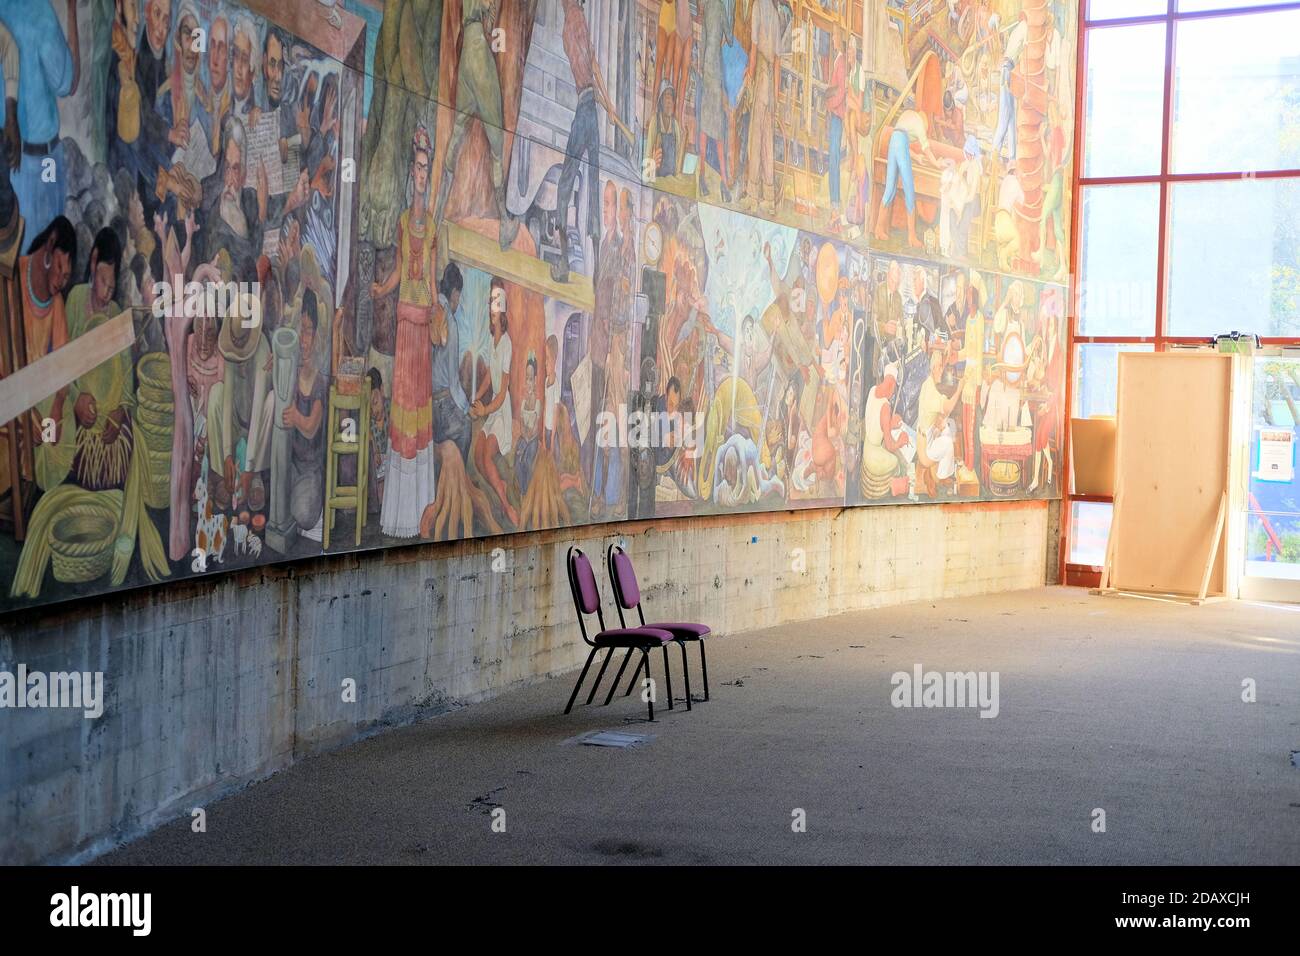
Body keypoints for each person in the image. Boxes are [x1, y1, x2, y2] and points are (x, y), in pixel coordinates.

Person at [373, 126, 439, 538]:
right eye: (417, 167)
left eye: (425, 169)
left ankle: (418, 511)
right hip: (403, 322)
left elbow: (429, 276)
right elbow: (402, 268)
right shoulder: (402, 221)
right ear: (410, 172)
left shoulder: (430, 226)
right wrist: (382, 287)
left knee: (418, 405)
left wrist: (436, 312)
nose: (420, 174)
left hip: (420, 326)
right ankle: (399, 514)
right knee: (403, 405)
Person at [550, 0, 630, 283]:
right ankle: (594, 269)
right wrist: (607, 103)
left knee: (565, 185)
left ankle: (562, 260)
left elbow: (589, 66)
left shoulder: (573, 19)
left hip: (586, 107)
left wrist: (606, 101)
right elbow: (591, 65)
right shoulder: (575, 20)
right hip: (591, 109)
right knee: (593, 183)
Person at [432, 0, 518, 252]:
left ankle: (436, 218)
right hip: (479, 52)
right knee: (497, 142)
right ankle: (504, 223)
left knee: (457, 133)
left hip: (466, 54)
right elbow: (490, 25)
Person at [0, 0, 80, 241]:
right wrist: (72, 10)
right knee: (42, 254)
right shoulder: (41, 12)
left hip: (7, 163)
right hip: (42, 163)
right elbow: (67, 83)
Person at [66, 229, 134, 492]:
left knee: (123, 449)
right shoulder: (74, 301)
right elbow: (59, 364)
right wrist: (76, 399)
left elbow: (126, 377)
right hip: (79, 407)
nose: (107, 293)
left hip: (106, 412)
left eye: (112, 287)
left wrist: (119, 412)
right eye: (104, 282)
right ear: (93, 263)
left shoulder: (117, 315)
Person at [19, 216, 77, 490]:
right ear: (50, 246)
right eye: (60, 270)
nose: (62, 282)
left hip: (33, 400)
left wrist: (55, 409)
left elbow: (64, 366)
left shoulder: (56, 303)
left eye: (67, 277)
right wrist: (26, 417)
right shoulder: (13, 276)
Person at [470, 277, 517, 526]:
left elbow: (502, 392)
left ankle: (506, 505)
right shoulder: (492, 341)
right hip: (492, 410)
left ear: (502, 313)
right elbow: (489, 376)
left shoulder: (507, 343)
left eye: (494, 310)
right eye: (490, 309)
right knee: (478, 458)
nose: (491, 314)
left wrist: (485, 409)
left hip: (502, 410)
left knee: (486, 455)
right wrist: (477, 396)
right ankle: (500, 485)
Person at [283, 304, 326, 535]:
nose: (303, 339)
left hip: (310, 469)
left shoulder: (319, 380)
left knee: (304, 514)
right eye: (300, 330)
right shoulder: (290, 371)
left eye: (308, 331)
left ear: (316, 335)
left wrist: (297, 417)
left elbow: (310, 428)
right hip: (290, 465)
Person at [873, 109, 942, 249]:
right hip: (900, 141)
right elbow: (926, 147)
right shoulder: (918, 121)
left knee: (890, 189)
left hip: (894, 141)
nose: (922, 131)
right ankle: (912, 237)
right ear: (924, 122)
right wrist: (936, 163)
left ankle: (878, 229)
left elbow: (901, 143)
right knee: (909, 191)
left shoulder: (908, 117)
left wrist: (916, 157)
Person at [741, 0, 781, 213]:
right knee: (767, 141)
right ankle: (770, 198)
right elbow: (778, 62)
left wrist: (750, 73)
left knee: (755, 138)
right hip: (770, 84)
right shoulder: (775, 15)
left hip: (761, 76)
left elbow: (754, 48)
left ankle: (752, 195)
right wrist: (775, 97)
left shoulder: (758, 7)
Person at [825, 29, 849, 232]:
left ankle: (835, 206)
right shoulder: (838, 61)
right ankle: (834, 206)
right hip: (835, 114)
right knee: (832, 159)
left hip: (837, 115)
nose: (832, 40)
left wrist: (831, 105)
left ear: (838, 39)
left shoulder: (841, 61)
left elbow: (841, 91)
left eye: (833, 37)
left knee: (833, 159)